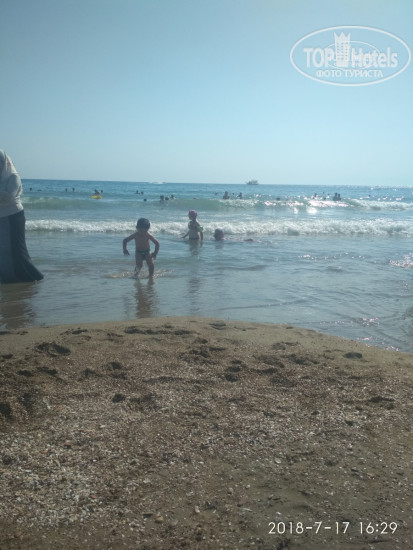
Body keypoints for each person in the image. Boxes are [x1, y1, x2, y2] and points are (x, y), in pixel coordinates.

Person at [0, 150, 44, 284]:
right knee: (3, 251)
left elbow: (9, 196)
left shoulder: (13, 177)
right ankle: (8, 278)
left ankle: (30, 277)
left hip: (13, 217)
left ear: (4, 162)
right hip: (2, 217)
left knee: (16, 250)